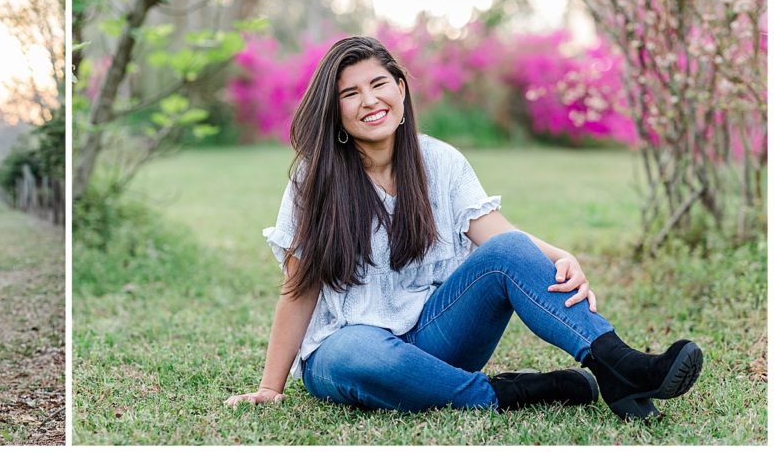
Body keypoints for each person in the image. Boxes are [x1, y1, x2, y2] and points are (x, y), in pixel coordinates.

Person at [224, 37, 702, 419]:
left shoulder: (439, 161)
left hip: (436, 336)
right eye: (350, 93)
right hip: (349, 349)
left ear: (401, 88)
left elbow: (500, 239)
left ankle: (618, 365)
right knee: (358, 351)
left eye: (378, 84)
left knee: (512, 250)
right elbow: (298, 290)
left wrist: (560, 256)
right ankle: (510, 392)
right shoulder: (316, 178)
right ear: (336, 110)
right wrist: (271, 387)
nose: (369, 101)